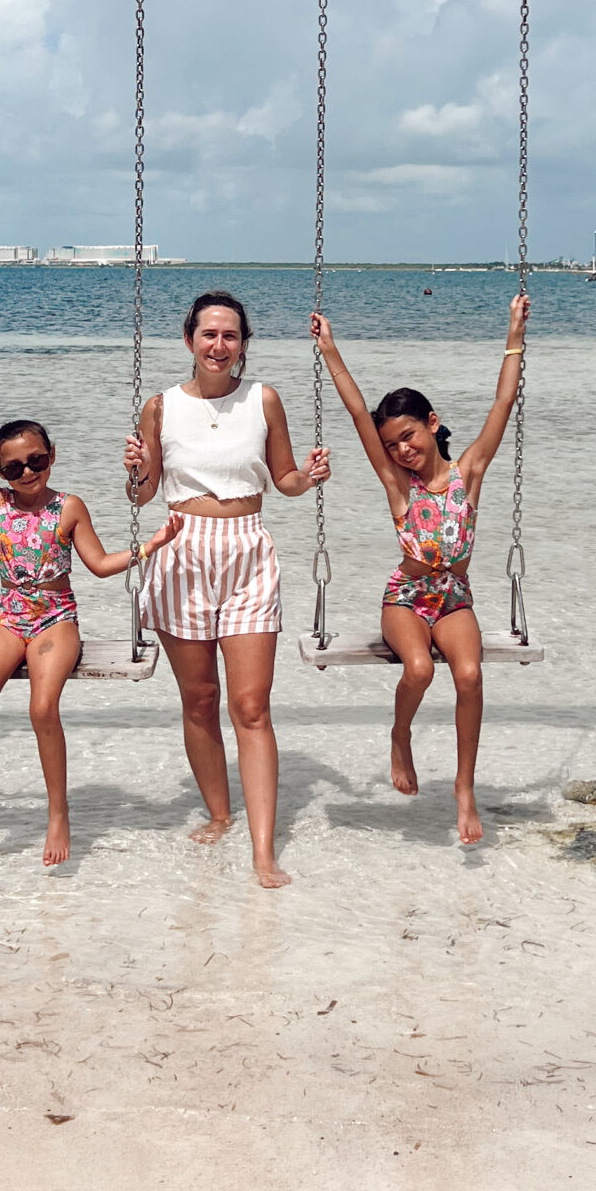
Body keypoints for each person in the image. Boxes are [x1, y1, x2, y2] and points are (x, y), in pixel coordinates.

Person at [0, 407, 182, 867]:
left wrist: (153, 542)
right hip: (9, 616)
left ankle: (58, 812)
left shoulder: (68, 506)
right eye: (14, 467)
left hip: (55, 618)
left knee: (42, 707)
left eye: (37, 460)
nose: (27, 472)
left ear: (52, 458)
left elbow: (101, 565)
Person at [122, 290, 330, 890]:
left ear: (243, 343)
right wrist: (134, 469)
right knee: (198, 698)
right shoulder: (159, 407)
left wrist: (308, 478)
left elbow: (284, 480)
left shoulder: (262, 399)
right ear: (189, 339)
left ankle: (264, 851)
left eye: (230, 336)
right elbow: (142, 494)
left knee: (251, 706)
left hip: (247, 550)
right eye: (209, 334)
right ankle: (218, 812)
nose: (219, 346)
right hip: (181, 549)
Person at [307, 294, 529, 846]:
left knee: (471, 676)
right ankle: (400, 735)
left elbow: (504, 402)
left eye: (408, 435)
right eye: (392, 444)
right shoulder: (396, 485)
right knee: (422, 671)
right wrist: (330, 350)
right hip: (406, 597)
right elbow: (359, 413)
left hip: (453, 598)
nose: (401, 449)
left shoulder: (469, 472)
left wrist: (514, 334)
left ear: (432, 424)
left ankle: (463, 787)